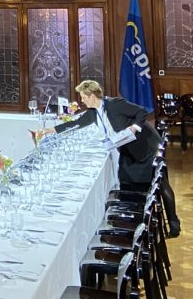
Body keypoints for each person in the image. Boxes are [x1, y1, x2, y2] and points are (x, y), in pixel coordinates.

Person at [48, 79, 181, 236]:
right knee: (124, 176)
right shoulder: (93, 113)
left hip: (146, 145)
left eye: (83, 97)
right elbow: (75, 124)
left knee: (160, 181)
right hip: (128, 149)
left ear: (92, 96)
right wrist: (48, 131)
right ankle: (136, 219)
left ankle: (173, 223)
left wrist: (135, 127)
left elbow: (141, 112)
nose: (82, 100)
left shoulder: (114, 104)